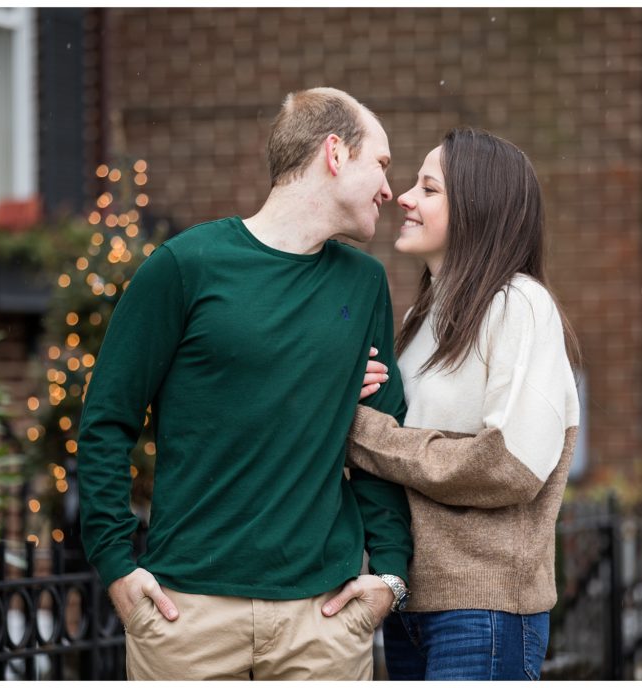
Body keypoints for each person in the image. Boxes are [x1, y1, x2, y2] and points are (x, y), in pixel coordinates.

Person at [77, 87, 412, 680]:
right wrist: (115, 564)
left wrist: (389, 572)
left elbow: (381, 439)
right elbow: (107, 419)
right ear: (335, 154)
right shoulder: (187, 266)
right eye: (380, 165)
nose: (389, 190)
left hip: (323, 622)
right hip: (188, 619)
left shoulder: (363, 285)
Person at [346, 127, 581, 681]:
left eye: (428, 189)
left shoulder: (520, 305)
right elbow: (387, 461)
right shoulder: (417, 321)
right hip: (408, 602)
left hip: (485, 610)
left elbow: (509, 465)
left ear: (477, 208)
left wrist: (359, 431)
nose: (403, 197)